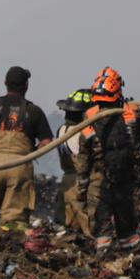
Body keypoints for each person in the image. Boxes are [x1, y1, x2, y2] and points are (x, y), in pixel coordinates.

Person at [75, 69, 140, 252]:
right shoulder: (129, 114)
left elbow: (83, 157)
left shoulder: (91, 116)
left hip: (105, 181)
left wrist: (81, 187)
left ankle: (109, 261)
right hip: (122, 180)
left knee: (104, 229)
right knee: (125, 227)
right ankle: (128, 262)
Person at [0, 66, 54, 226]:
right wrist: (31, 153)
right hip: (20, 165)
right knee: (16, 222)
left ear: (5, 83)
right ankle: (12, 249)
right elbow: (47, 142)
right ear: (26, 86)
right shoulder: (34, 111)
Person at [55, 89, 94, 235]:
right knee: (86, 227)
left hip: (66, 183)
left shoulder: (61, 130)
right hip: (82, 183)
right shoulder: (84, 132)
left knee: (65, 225)